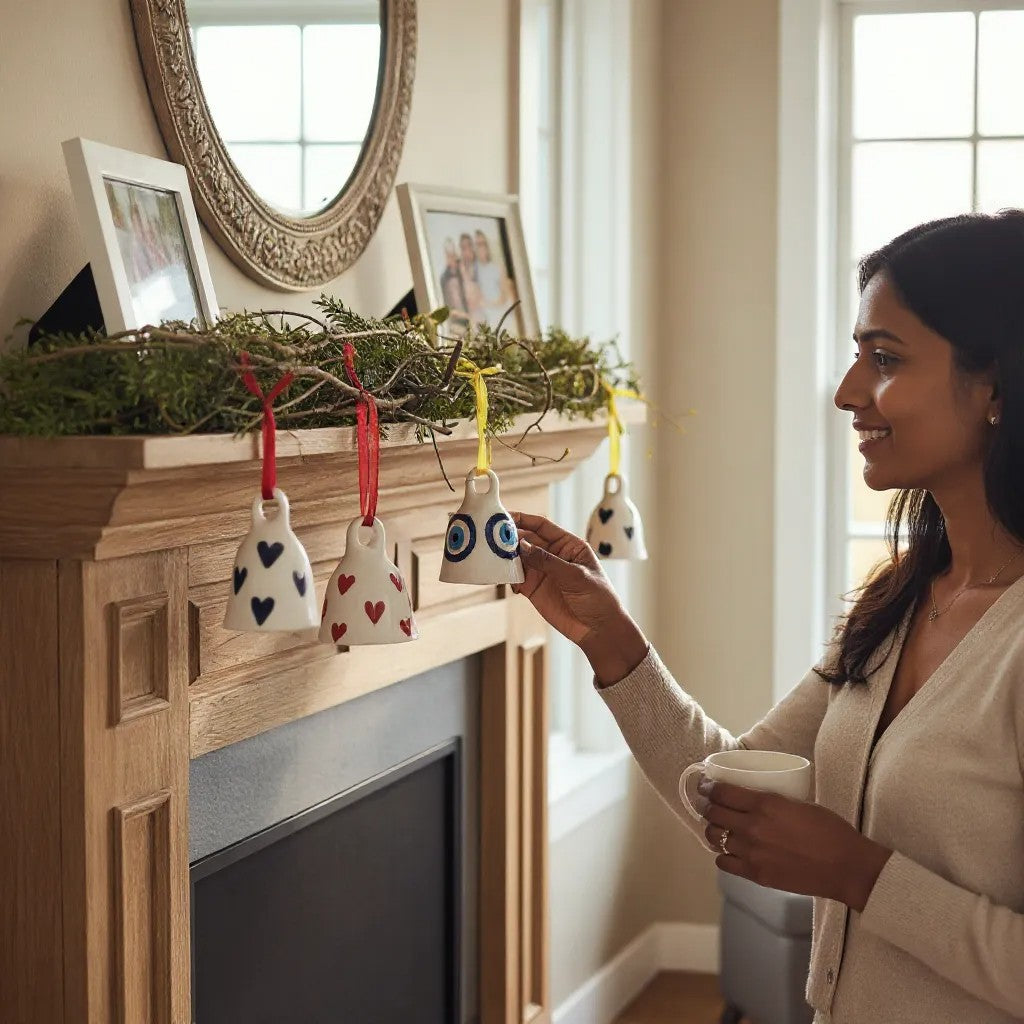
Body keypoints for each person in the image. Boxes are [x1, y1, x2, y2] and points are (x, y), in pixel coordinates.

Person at [510, 211, 1024, 1023]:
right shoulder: (897, 604)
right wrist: (609, 639)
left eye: (884, 359)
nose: (848, 391)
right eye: (857, 355)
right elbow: (725, 796)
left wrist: (859, 874)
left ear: (995, 384)